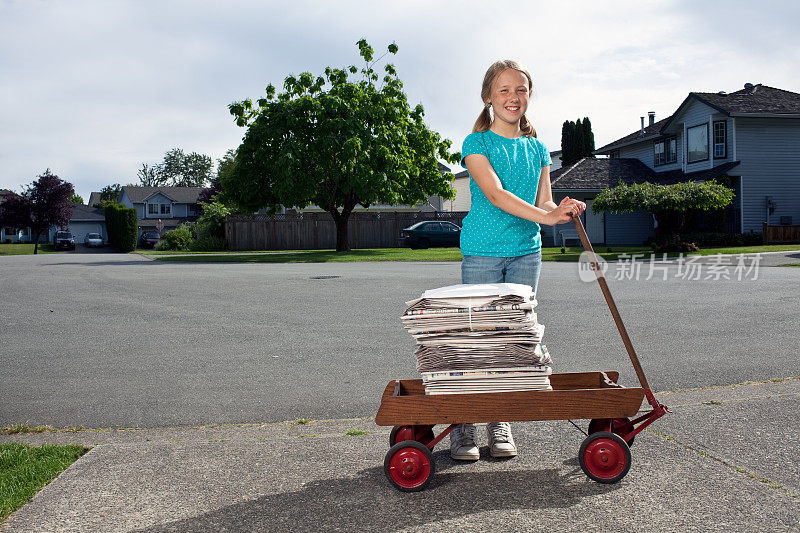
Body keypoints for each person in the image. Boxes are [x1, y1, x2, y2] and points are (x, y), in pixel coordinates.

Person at [451, 60, 586, 461]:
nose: (513, 97)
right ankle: (463, 427)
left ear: (529, 96)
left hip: (527, 253)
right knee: (477, 342)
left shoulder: (538, 147)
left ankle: (499, 422)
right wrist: (544, 216)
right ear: (489, 97)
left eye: (521, 89)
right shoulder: (476, 144)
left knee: (513, 341)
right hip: (482, 254)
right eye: (504, 90)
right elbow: (494, 194)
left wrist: (558, 208)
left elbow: (543, 199)